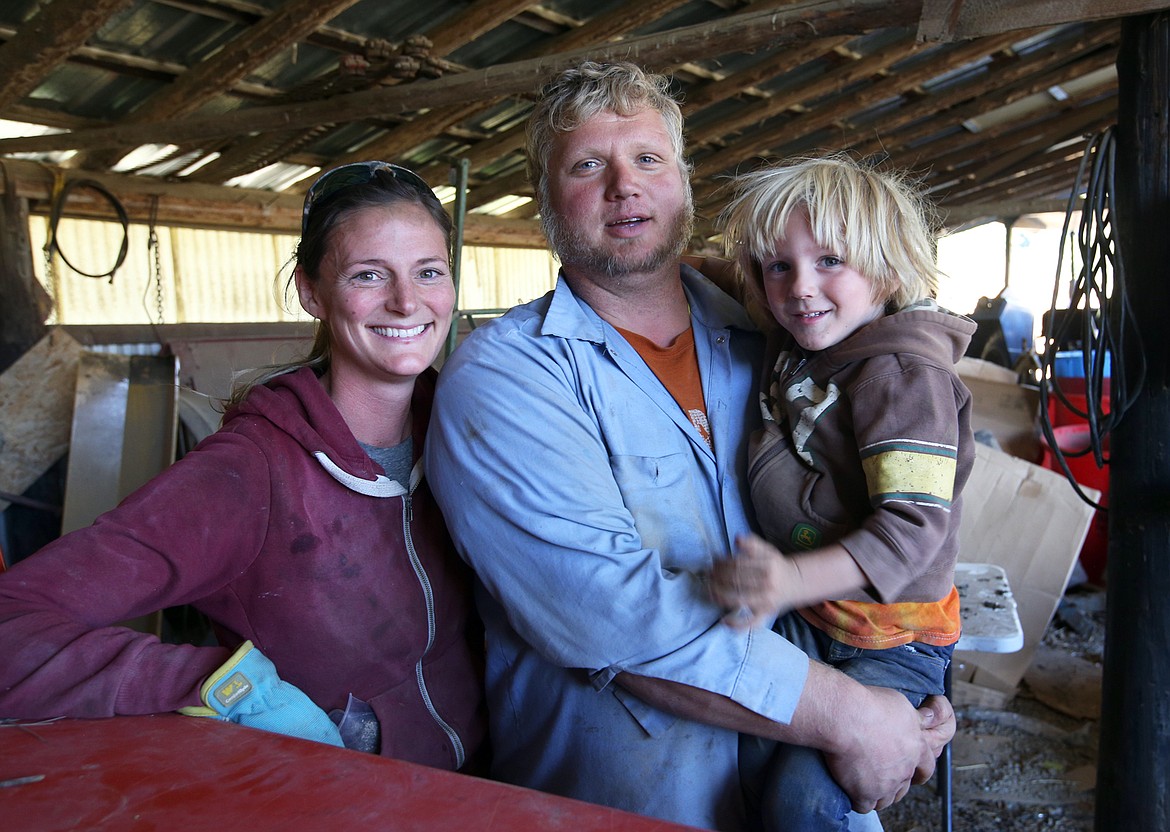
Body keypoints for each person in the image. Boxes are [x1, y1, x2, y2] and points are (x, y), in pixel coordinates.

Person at [424, 61, 954, 831]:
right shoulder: (505, 379)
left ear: (683, 180)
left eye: (647, 159)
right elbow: (612, 617)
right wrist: (860, 719)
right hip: (627, 797)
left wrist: (905, 684)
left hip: (807, 769)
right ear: (545, 203)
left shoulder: (779, 334)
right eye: (586, 166)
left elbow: (892, 501)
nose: (623, 187)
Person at [0, 162, 486, 772]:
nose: (406, 301)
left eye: (429, 272)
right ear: (311, 292)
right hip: (347, 801)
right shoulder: (248, 473)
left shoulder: (469, 436)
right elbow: (10, 623)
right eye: (368, 274)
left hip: (489, 788)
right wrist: (224, 685)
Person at [707, 154, 977, 830]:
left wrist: (785, 581)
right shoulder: (799, 335)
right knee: (745, 749)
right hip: (818, 616)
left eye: (831, 261)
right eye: (778, 266)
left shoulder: (902, 374)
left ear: (887, 269)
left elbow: (911, 529)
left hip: (890, 638)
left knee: (805, 798)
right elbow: (711, 267)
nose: (800, 287)